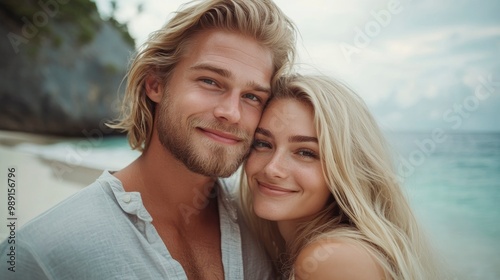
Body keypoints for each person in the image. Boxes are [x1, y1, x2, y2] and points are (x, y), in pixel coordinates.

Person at [0, 0, 297, 279]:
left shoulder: (270, 231)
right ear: (155, 84)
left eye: (252, 97)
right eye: (210, 81)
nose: (231, 113)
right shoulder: (40, 253)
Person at [239, 74, 446, 279]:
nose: (272, 168)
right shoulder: (284, 249)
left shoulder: (332, 259)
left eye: (305, 153)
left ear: (345, 168)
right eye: (263, 144)